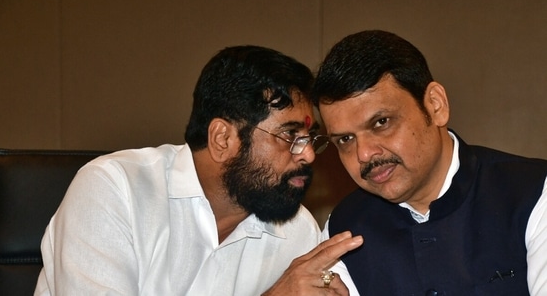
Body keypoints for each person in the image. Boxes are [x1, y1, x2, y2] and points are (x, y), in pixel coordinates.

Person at [34, 45, 363, 295]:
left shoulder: (297, 230)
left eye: (310, 139)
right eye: (290, 135)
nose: (308, 154)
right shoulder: (114, 190)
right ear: (223, 138)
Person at [311, 30, 547, 295]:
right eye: (345, 139)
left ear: (435, 105)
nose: (364, 154)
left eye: (381, 123)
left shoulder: (534, 193)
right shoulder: (344, 228)